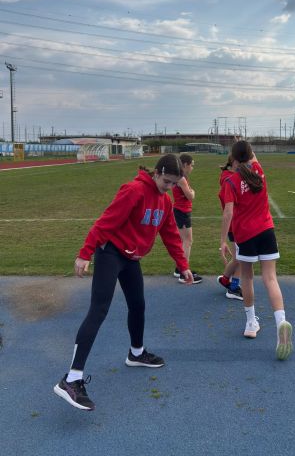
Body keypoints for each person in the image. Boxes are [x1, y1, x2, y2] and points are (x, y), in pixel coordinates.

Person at [54, 154, 194, 411]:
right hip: (110, 252)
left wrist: (183, 265)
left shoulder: (165, 202)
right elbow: (106, 222)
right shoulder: (134, 191)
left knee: (138, 305)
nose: (169, 187)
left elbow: (170, 234)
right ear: (157, 172)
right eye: (166, 181)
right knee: (99, 310)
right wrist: (85, 253)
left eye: (174, 184)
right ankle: (71, 379)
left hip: (131, 258)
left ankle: (136, 353)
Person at [220, 140, 293, 360]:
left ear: (233, 158)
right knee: (270, 278)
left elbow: (228, 213)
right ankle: (281, 322)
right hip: (266, 231)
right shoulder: (258, 171)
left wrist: (222, 240)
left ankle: (251, 322)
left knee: (247, 278)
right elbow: (251, 157)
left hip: (245, 235)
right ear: (251, 154)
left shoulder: (230, 182)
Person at [171, 153, 202, 284]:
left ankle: (179, 269)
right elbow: (191, 196)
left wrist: (190, 191)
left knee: (184, 241)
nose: (192, 168)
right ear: (185, 165)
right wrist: (192, 191)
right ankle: (184, 274)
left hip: (181, 211)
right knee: (188, 241)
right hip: (182, 211)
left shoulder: (179, 177)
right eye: (191, 165)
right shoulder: (181, 179)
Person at [217, 154, 243, 300]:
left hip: (237, 224)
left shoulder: (230, 177)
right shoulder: (229, 180)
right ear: (234, 162)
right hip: (235, 225)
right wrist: (222, 240)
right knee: (240, 258)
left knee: (239, 258)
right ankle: (232, 288)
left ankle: (226, 280)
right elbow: (228, 210)